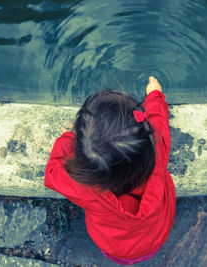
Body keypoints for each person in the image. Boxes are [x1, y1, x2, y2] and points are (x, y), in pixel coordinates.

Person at [44, 76, 176, 265]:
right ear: (147, 140)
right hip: (157, 238)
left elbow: (52, 172)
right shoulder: (157, 153)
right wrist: (155, 94)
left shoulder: (85, 188)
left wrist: (70, 137)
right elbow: (158, 119)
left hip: (114, 249)